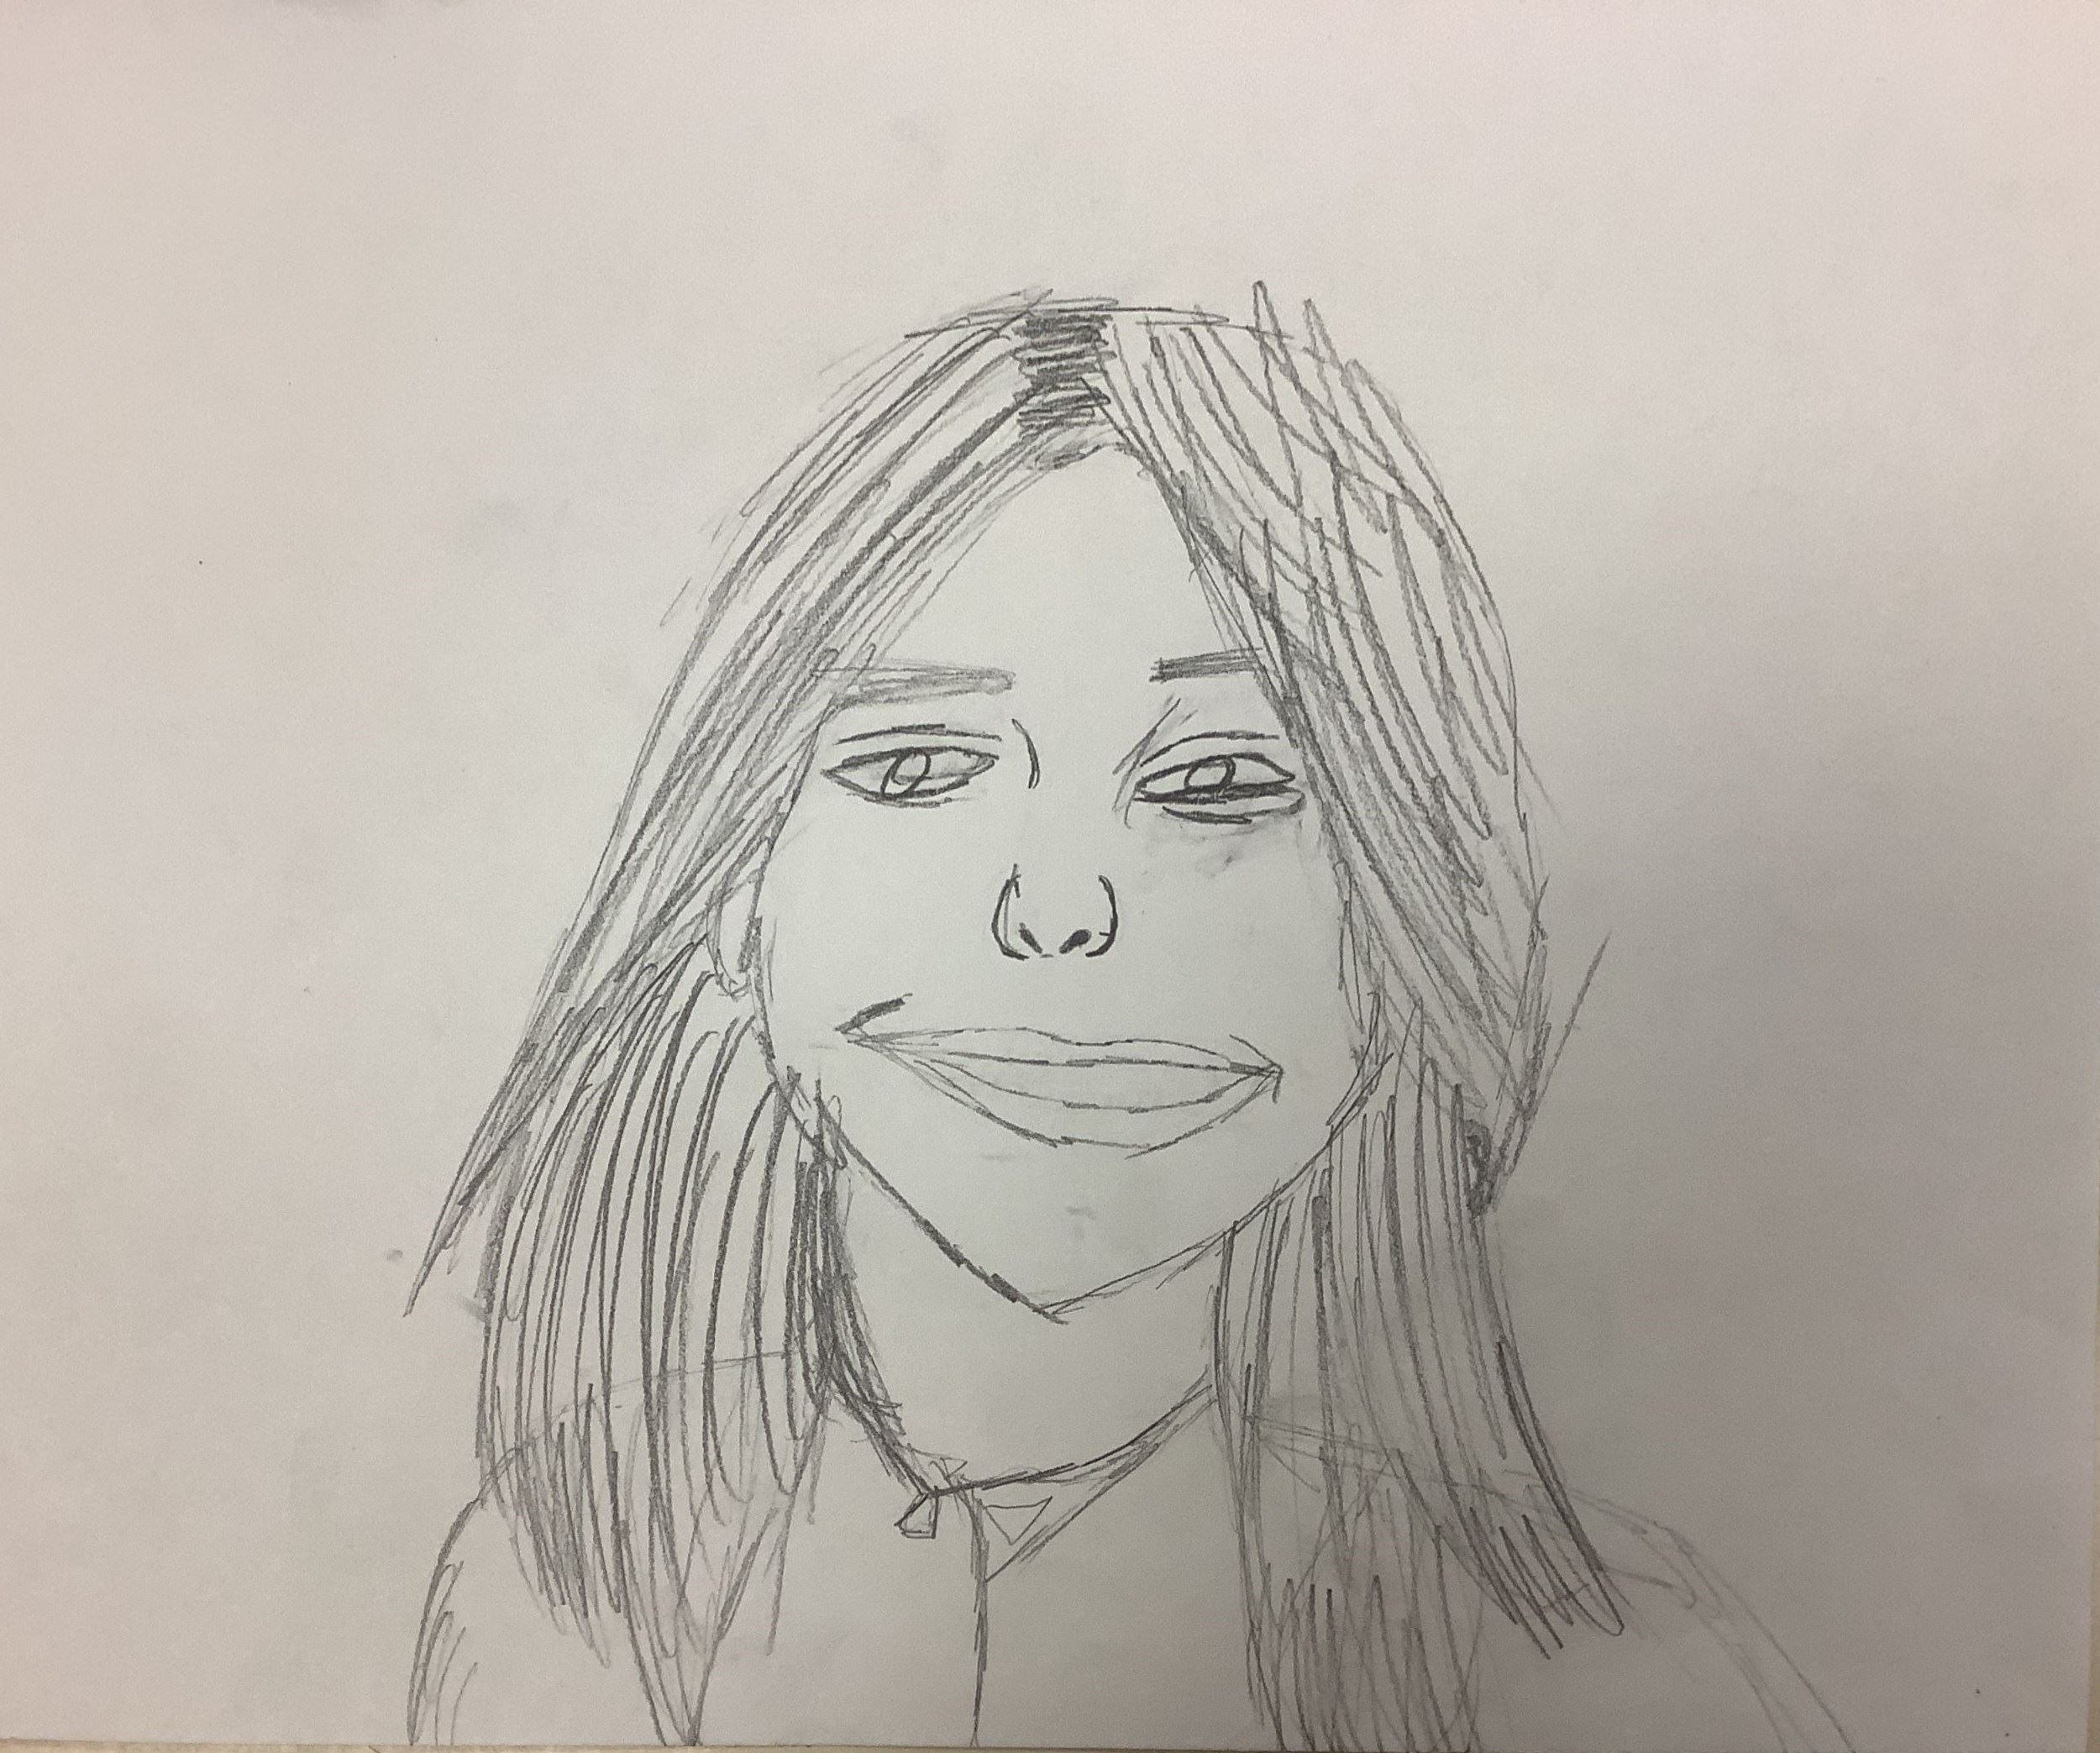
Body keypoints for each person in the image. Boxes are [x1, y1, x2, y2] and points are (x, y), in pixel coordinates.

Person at [407, 289, 1847, 1750]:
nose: (1060, 910)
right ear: (731, 892)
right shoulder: (549, 1590)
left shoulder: (1626, 1675)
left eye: (1221, 782)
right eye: (916, 767)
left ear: (1407, 924)